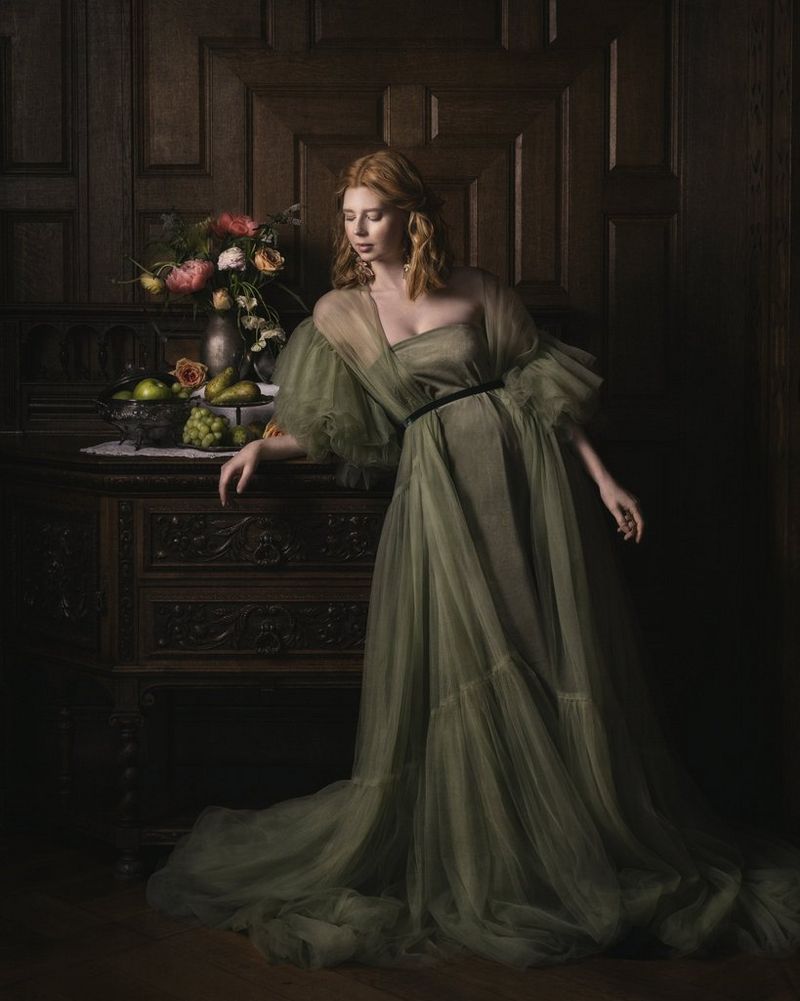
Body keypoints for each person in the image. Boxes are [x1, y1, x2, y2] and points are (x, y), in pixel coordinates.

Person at [146, 149, 800, 970]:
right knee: (470, 661)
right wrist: (261, 453)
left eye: (373, 212)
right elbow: (332, 426)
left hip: (531, 490)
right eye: (348, 214)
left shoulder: (482, 289)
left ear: (411, 216)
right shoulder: (340, 314)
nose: (357, 228)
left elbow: (546, 397)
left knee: (544, 646)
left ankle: (573, 838)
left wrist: (603, 483)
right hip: (441, 497)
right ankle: (495, 850)